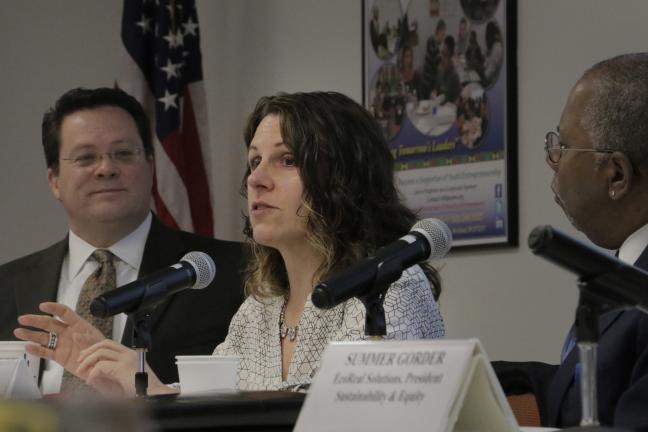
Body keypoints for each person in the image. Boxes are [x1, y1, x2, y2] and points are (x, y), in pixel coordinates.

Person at [33, 91, 446, 396]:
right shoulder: (258, 311)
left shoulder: (391, 289)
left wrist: (153, 393)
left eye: (286, 160)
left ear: (345, 176)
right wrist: (128, 386)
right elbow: (210, 414)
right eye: (254, 162)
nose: (256, 179)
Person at [3, 87, 245, 394]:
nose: (106, 169)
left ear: (151, 166)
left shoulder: (231, 271)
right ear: (54, 181)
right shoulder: (5, 286)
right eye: (86, 157)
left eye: (123, 153)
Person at [494, 53, 648, 429]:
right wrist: (477, 374)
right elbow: (603, 387)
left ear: (616, 175)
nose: (552, 160)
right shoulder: (626, 271)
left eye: (561, 146)